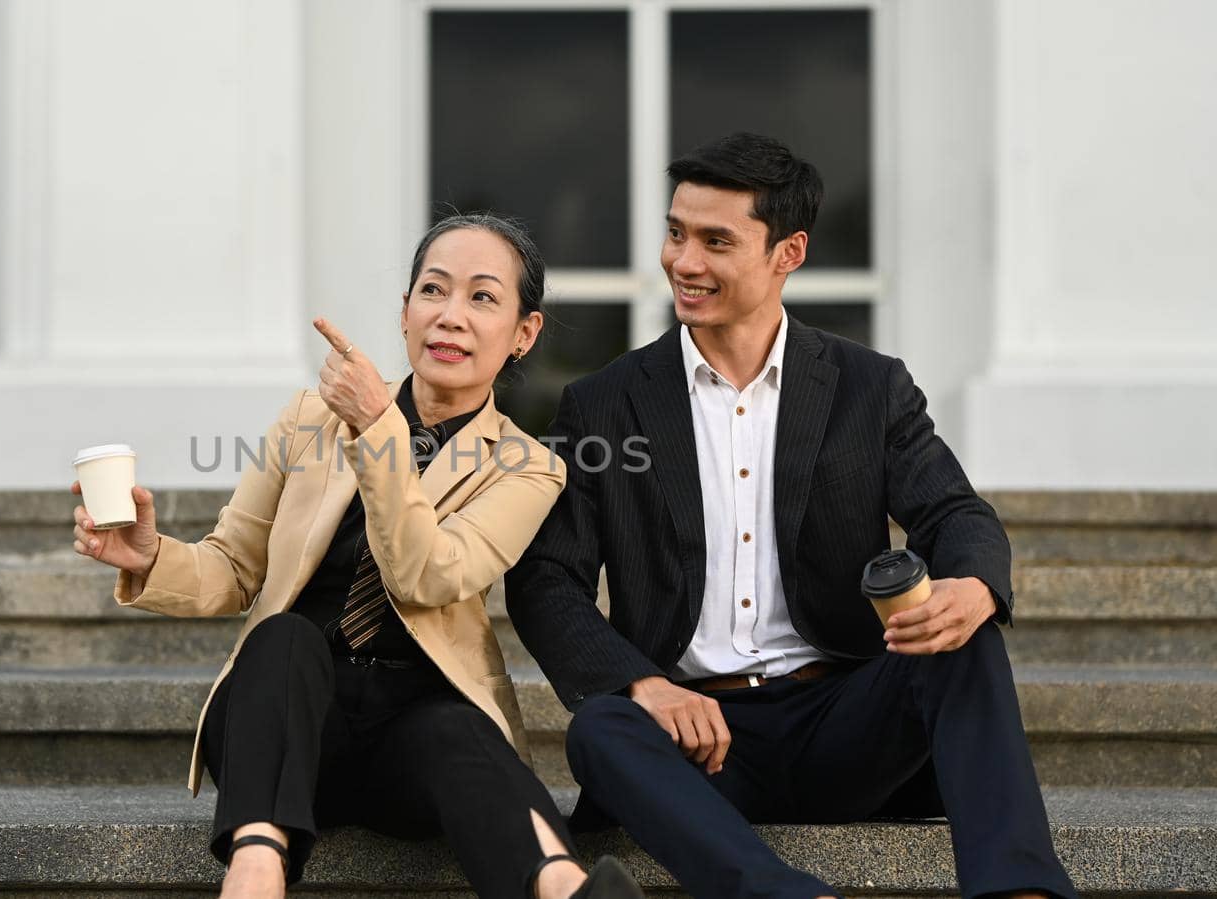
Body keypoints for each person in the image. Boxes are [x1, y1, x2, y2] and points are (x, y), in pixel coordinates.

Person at [505, 133, 1079, 899]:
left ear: (788, 252)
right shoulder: (604, 402)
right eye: (677, 233)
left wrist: (974, 582)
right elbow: (545, 579)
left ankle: (1020, 891)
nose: (684, 261)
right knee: (600, 729)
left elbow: (953, 510)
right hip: (693, 741)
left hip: (843, 724)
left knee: (968, 638)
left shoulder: (867, 387)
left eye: (716, 241)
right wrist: (645, 684)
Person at [71, 213, 645, 899]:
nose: (450, 316)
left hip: (412, 742)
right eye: (433, 291)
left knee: (459, 725)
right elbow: (232, 569)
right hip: (282, 721)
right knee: (283, 637)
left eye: (483, 297)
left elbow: (426, 574)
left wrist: (379, 430)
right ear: (404, 313)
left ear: (524, 334)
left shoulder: (527, 467)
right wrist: (148, 555)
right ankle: (254, 872)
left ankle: (565, 891)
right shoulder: (308, 417)